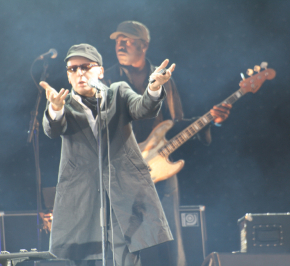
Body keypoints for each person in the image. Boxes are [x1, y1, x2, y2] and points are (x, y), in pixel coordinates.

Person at [103, 21, 232, 266]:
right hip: (123, 169)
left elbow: (177, 124)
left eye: (127, 39)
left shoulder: (165, 79)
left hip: (160, 170)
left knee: (168, 239)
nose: (120, 44)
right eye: (117, 40)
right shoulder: (108, 78)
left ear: (144, 45)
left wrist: (211, 120)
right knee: (127, 241)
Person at [41, 43, 176, 266]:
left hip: (124, 197)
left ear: (101, 71)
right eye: (72, 69)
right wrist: (54, 109)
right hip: (83, 200)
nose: (79, 73)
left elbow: (143, 108)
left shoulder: (118, 93)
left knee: (126, 259)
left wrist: (153, 88)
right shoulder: (63, 104)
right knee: (85, 258)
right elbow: (52, 129)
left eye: (85, 66)